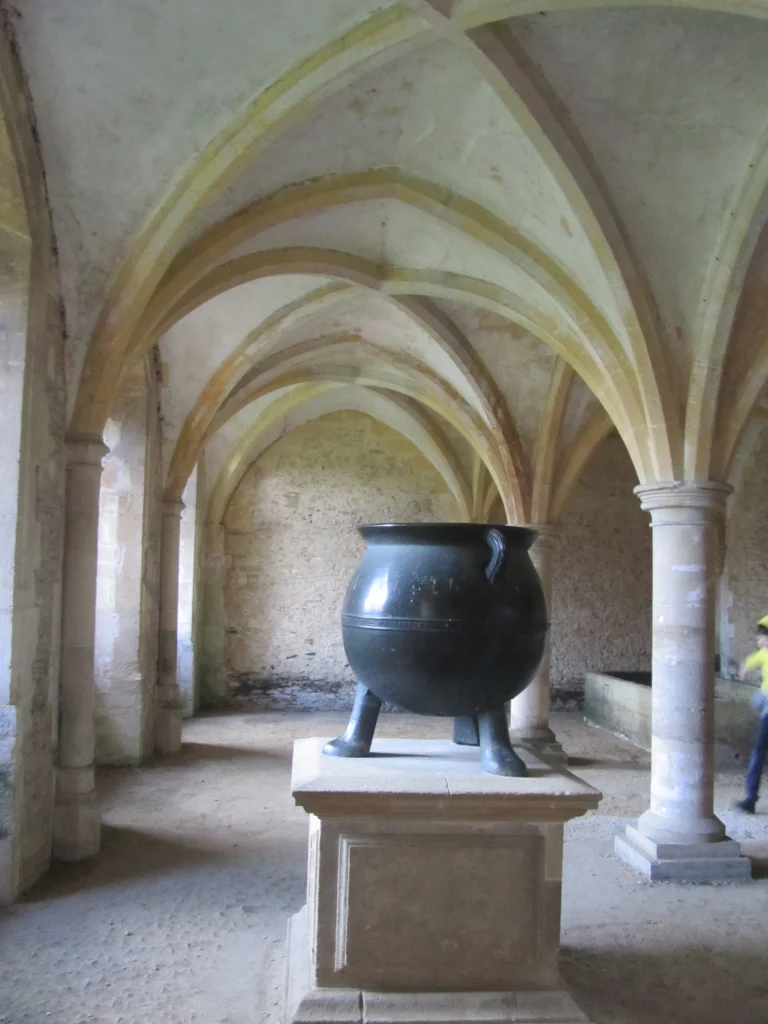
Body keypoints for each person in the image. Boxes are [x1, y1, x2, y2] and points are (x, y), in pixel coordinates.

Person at [735, 616, 768, 813]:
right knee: (758, 750)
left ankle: (750, 798)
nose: (759, 640)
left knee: (758, 750)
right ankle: (750, 798)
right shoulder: (764, 654)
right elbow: (749, 661)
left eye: (762, 637)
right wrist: (744, 671)